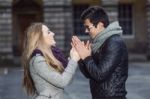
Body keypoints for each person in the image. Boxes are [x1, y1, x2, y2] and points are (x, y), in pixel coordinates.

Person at [72, 6, 128, 99]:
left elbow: (100, 75)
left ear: (100, 25)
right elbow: (89, 74)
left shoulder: (114, 42)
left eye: (88, 27)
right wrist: (80, 58)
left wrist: (86, 57)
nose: (86, 31)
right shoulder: (99, 43)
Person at [22, 23, 80, 99]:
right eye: (48, 32)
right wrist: (73, 60)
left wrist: (72, 57)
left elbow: (68, 78)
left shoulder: (53, 56)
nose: (53, 33)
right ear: (39, 38)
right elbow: (62, 82)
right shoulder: (38, 61)